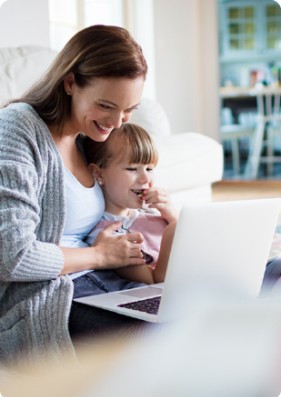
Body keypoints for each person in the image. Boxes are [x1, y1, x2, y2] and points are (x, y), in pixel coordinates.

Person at [0, 24, 150, 366]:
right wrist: (101, 257)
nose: (117, 122)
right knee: (154, 341)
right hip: (45, 296)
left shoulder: (90, 138)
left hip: (103, 281)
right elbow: (11, 254)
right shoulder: (15, 129)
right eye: (106, 106)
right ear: (70, 83)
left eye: (129, 110)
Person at [82, 123, 178, 285]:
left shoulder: (154, 214)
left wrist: (173, 215)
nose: (145, 179)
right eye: (132, 169)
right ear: (98, 173)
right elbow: (153, 282)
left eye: (149, 169)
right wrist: (174, 229)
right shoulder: (107, 236)